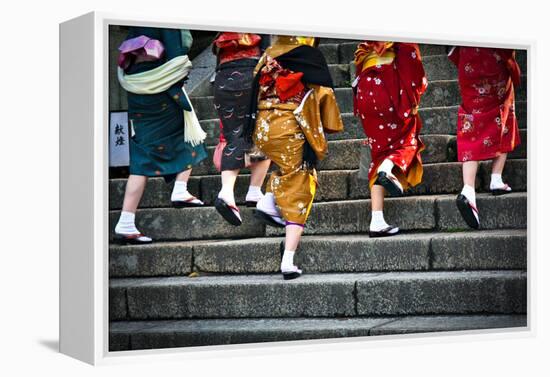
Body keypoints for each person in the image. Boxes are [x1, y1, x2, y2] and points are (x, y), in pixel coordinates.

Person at [247, 35, 344, 279]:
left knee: (285, 169)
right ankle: (288, 260)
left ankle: (268, 200)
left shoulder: (267, 56)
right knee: (301, 187)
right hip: (290, 128)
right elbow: (324, 95)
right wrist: (329, 124)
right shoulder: (308, 55)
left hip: (264, 128)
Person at [114, 27, 208, 244]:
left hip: (136, 92)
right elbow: (179, 56)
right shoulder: (167, 20)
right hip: (161, 92)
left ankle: (126, 220)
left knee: (142, 157)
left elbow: (124, 60)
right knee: (188, 134)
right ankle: (180, 189)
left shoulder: (135, 21)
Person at [353, 41, 427, 237]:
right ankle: (388, 168)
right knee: (407, 138)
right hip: (388, 84)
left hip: (364, 89)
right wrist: (412, 97)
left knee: (377, 151)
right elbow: (411, 57)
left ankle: (376, 220)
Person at [449, 46, 521, 229]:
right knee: (503, 115)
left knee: (471, 123)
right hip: (494, 59)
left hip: (468, 61)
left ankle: (468, 188)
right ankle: (496, 178)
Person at [212, 33, 272, 226]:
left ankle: (237, 191)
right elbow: (267, 49)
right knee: (264, 133)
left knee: (233, 135)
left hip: (222, 77)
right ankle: (243, 191)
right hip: (250, 74)